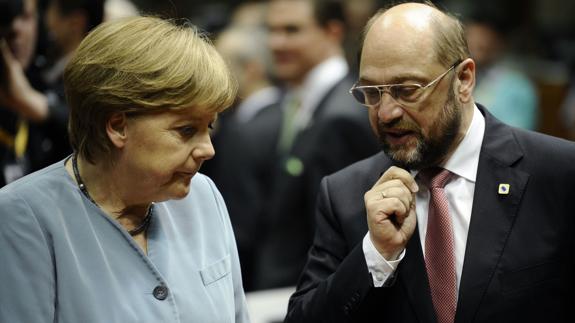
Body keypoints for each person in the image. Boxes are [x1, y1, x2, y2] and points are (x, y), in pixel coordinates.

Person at [285, 2, 575, 323]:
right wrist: (376, 256)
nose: (386, 113)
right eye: (372, 92)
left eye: (407, 90)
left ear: (463, 79)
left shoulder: (558, 173)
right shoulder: (346, 195)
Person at [0, 16, 249, 322]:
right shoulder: (22, 216)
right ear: (118, 126)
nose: (208, 149)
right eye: (186, 130)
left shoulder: (204, 196)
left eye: (208, 126)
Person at [247, 0, 378, 290]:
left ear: (332, 31)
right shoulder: (305, 102)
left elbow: (342, 236)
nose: (276, 42)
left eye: (291, 30)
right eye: (272, 30)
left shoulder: (341, 117)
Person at [465, 11, 539, 130]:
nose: (475, 42)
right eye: (470, 35)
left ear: (499, 41)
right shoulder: (455, 78)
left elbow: (517, 136)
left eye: (483, 36)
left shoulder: (519, 87)